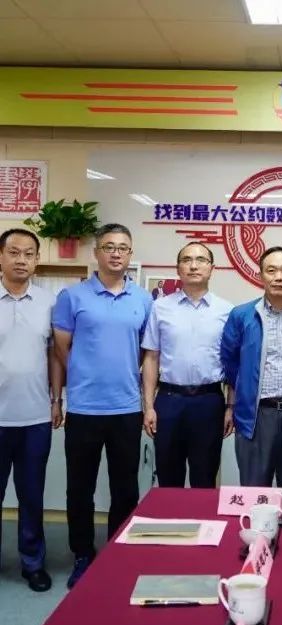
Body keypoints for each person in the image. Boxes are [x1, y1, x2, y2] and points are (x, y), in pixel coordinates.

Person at [52, 223, 152, 589]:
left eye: (123, 248)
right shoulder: (72, 297)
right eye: (109, 247)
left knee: (125, 488)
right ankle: (82, 553)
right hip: (84, 409)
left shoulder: (143, 299)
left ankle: (117, 552)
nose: (116, 253)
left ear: (130, 254)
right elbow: (61, 348)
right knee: (80, 488)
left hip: (126, 407)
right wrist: (82, 375)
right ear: (96, 253)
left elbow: (146, 352)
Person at [220, 246, 282, 487]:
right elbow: (229, 361)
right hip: (255, 416)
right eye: (271, 270)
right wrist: (239, 396)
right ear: (260, 275)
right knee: (254, 492)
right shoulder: (241, 315)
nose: (279, 277)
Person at [0, 229, 63, 592]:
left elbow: (54, 356)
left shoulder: (48, 302)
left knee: (31, 495)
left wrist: (55, 400)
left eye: (28, 254)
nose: (21, 260)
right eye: (13, 252)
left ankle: (33, 563)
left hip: (35, 416)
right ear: (1, 257)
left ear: (37, 260)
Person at [142, 242, 233, 488]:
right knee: (168, 478)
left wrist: (230, 407)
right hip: (169, 400)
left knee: (205, 478)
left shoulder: (227, 311)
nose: (194, 265)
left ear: (212, 268)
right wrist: (148, 407)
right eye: (187, 260)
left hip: (209, 401)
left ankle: (204, 517)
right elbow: (151, 357)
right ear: (178, 268)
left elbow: (233, 364)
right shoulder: (160, 307)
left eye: (201, 260)